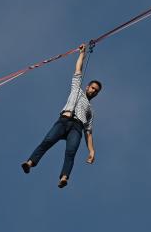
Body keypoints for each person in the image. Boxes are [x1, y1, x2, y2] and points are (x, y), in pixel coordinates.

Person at [21, 43, 102, 188]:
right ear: (87, 87)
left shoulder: (90, 111)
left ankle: (64, 177)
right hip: (64, 120)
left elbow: (88, 133)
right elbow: (78, 70)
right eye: (93, 88)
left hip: (77, 128)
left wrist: (92, 150)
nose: (94, 91)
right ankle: (30, 163)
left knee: (71, 152)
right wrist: (82, 53)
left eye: (96, 91)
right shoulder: (76, 89)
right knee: (47, 141)